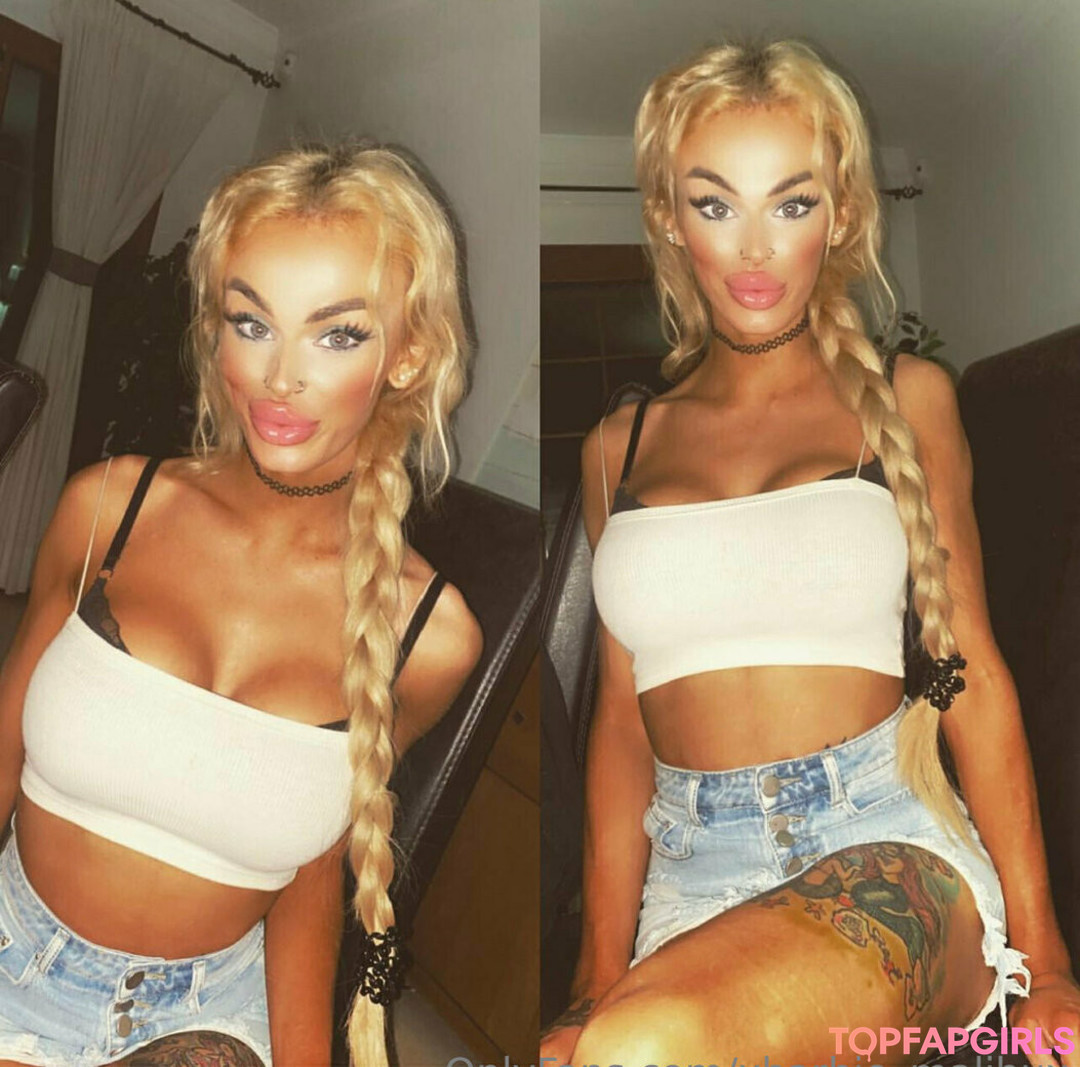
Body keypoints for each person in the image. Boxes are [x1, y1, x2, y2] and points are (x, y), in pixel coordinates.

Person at [541, 40, 1080, 1066]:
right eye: (716, 203)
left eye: (791, 203)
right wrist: (592, 974)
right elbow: (620, 729)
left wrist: (1046, 961)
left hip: (883, 839)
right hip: (689, 872)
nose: (755, 249)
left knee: (642, 1048)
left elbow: (975, 672)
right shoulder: (617, 448)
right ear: (668, 217)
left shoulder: (908, 400)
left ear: (840, 215)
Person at [0, 142, 483, 1067]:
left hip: (203, 1019)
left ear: (409, 354)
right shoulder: (108, 509)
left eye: (337, 334)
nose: (278, 375)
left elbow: (305, 869)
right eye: (251, 321)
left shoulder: (430, 635)